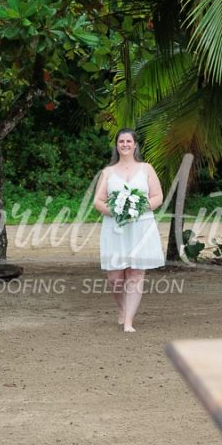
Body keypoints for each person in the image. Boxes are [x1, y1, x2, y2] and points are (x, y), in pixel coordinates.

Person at [93, 128, 165, 332]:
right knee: (115, 278)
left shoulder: (146, 169)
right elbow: (98, 201)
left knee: (135, 274)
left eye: (128, 141)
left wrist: (137, 208)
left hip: (141, 226)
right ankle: (123, 309)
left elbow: (157, 197)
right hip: (115, 228)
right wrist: (116, 211)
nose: (125, 144)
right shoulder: (108, 172)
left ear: (135, 145)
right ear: (116, 145)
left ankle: (129, 322)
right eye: (121, 141)